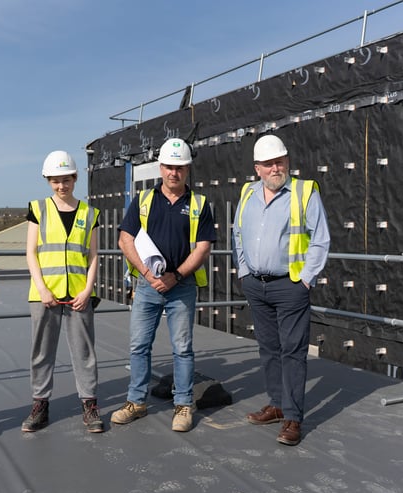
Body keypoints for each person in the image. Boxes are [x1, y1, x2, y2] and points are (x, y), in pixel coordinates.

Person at [111, 138, 216, 432]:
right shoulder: (144, 201)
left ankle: (183, 404)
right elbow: (125, 239)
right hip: (147, 287)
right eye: (169, 167)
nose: (174, 173)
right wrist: (147, 274)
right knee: (139, 345)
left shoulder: (199, 204)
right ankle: (136, 402)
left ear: (187, 169)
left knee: (182, 348)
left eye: (180, 167)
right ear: (161, 168)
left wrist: (176, 276)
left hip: (181, 286)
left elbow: (203, 247)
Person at [232, 134, 330, 446]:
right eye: (270, 163)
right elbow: (238, 232)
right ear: (257, 168)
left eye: (281, 161)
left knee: (293, 351)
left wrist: (305, 279)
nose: (277, 168)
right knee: (269, 349)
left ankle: (292, 417)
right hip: (257, 285)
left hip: (290, 286)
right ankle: (276, 404)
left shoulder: (303, 192)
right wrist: (245, 271)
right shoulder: (247, 193)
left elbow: (321, 238)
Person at [21, 151, 103, 433]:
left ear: (75, 178)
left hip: (79, 295)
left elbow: (93, 256)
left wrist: (88, 289)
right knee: (41, 352)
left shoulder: (89, 213)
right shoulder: (38, 209)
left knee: (84, 352)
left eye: (66, 179)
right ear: (48, 180)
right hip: (44, 295)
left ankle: (90, 406)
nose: (61, 186)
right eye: (55, 180)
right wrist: (42, 288)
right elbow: (30, 252)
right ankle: (40, 405)